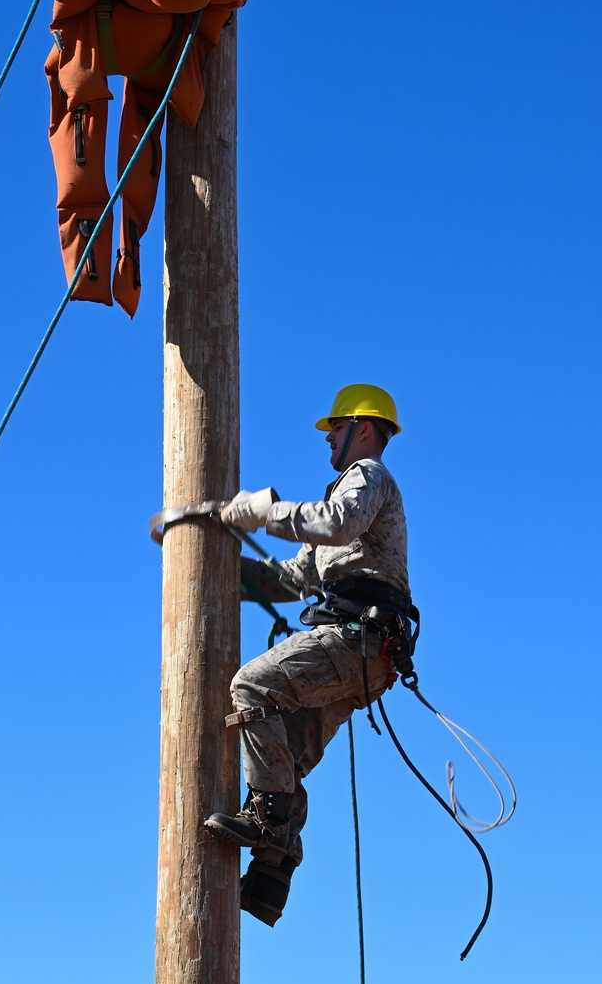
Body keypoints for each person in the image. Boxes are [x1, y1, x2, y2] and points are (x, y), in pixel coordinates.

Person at [204, 383, 414, 927]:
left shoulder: (367, 478)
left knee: (252, 687)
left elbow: (335, 522)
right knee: (285, 758)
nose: (328, 443)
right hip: (367, 657)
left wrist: (266, 512)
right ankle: (274, 871)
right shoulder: (350, 501)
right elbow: (294, 576)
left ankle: (271, 824)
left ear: (362, 429)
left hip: (356, 639)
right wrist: (214, 568)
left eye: (334, 431)